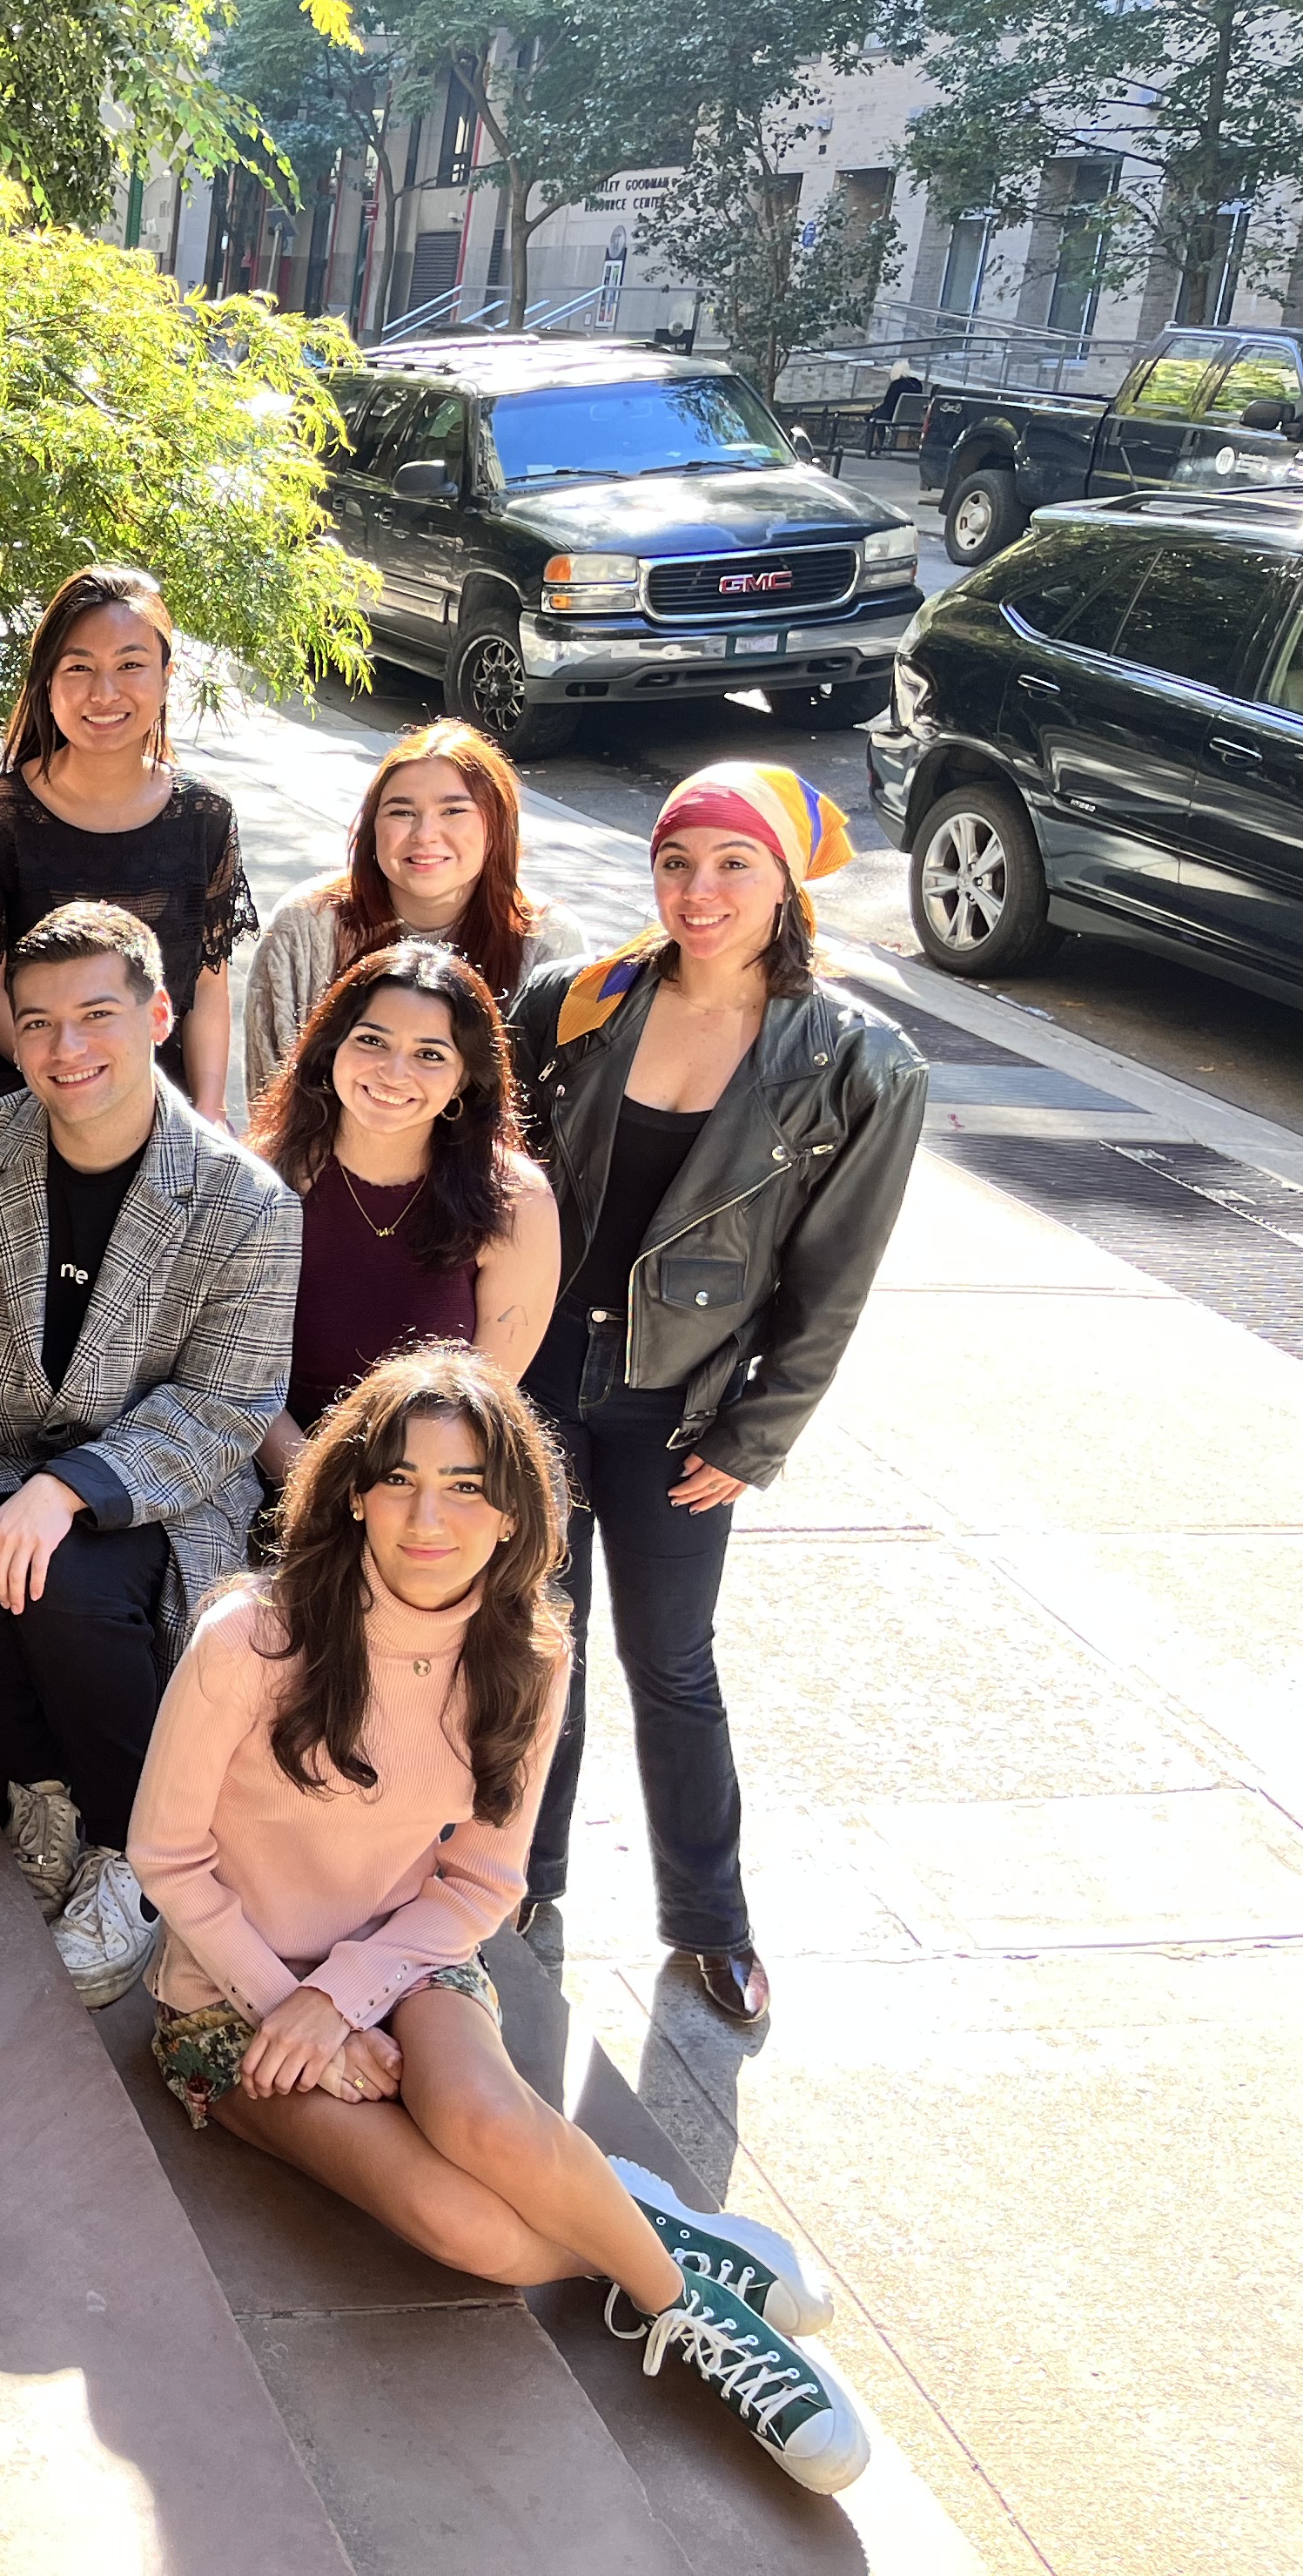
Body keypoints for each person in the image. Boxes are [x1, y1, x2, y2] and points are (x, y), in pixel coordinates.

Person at [125, 1346, 869, 2495]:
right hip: (235, 2003)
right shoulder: (252, 1640)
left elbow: (478, 1885)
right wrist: (300, 2006)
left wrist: (350, 1993)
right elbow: (164, 1856)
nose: (431, 1516)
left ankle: (708, 2328)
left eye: (467, 1485)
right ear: (355, 1492)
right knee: (489, 2239)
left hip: (408, 1960)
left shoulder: (528, 1650)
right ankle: (648, 2227)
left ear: (514, 1509)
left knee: (487, 2123)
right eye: (402, 1480)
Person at [509, 764, 926, 2026]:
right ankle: (523, 1878)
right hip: (534, 1379)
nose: (698, 891)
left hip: (675, 1405)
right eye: (676, 860)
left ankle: (712, 1918)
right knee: (537, 1647)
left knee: (669, 1661)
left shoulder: (858, 1062)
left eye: (732, 864)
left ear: (786, 879)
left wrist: (759, 1436)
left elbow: (832, 1280)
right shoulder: (577, 1005)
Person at [0, 900, 300, 2004]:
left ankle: (136, 1853)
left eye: (98, 1015)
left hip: (154, 1490)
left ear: (159, 1013)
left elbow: (227, 1401)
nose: (67, 1049)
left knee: (60, 1591)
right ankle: (43, 1782)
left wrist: (70, 1490)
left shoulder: (246, 1202)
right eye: (39, 1022)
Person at [0, 567, 257, 1126]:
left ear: (165, 676)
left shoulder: (205, 817)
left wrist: (209, 1112)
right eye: (79, 667)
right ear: (47, 681)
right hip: (20, 1080)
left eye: (130, 665)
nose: (104, 692)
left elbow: (207, 992)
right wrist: (69, 1077)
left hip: (159, 1088)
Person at [248, 942, 559, 1487]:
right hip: (259, 1475)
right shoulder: (255, 1178)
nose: (393, 1073)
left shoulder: (517, 1201)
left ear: (466, 1079)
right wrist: (317, 1491)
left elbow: (484, 1400)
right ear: (331, 1049)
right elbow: (232, 1376)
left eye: (430, 1054)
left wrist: (384, 1498)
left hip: (429, 1488)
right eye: (371, 1041)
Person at [238, 719, 581, 1104]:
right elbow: (271, 1098)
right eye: (402, 813)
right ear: (372, 828)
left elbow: (549, 1108)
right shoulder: (306, 925)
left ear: (497, 827)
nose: (424, 834)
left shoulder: (548, 940)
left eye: (453, 811)